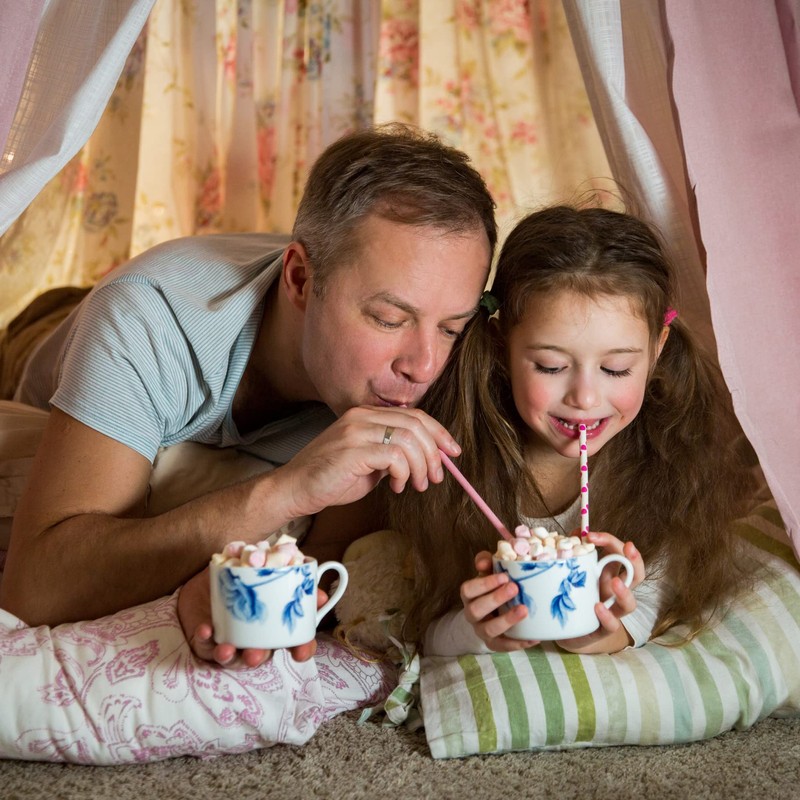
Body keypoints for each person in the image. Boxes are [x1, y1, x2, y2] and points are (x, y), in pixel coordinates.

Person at [0, 123, 497, 667]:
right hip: (44, 335)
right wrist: (284, 491)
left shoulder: (425, 361)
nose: (423, 364)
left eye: (451, 327)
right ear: (302, 279)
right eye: (387, 318)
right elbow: (36, 587)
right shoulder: (148, 319)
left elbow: (328, 558)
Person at [391, 204, 757, 657]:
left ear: (657, 350)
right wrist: (474, 629)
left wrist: (599, 627)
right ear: (502, 343)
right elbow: (419, 627)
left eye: (616, 368)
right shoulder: (454, 458)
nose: (584, 397)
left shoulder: (667, 466)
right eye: (551, 365)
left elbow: (643, 614)